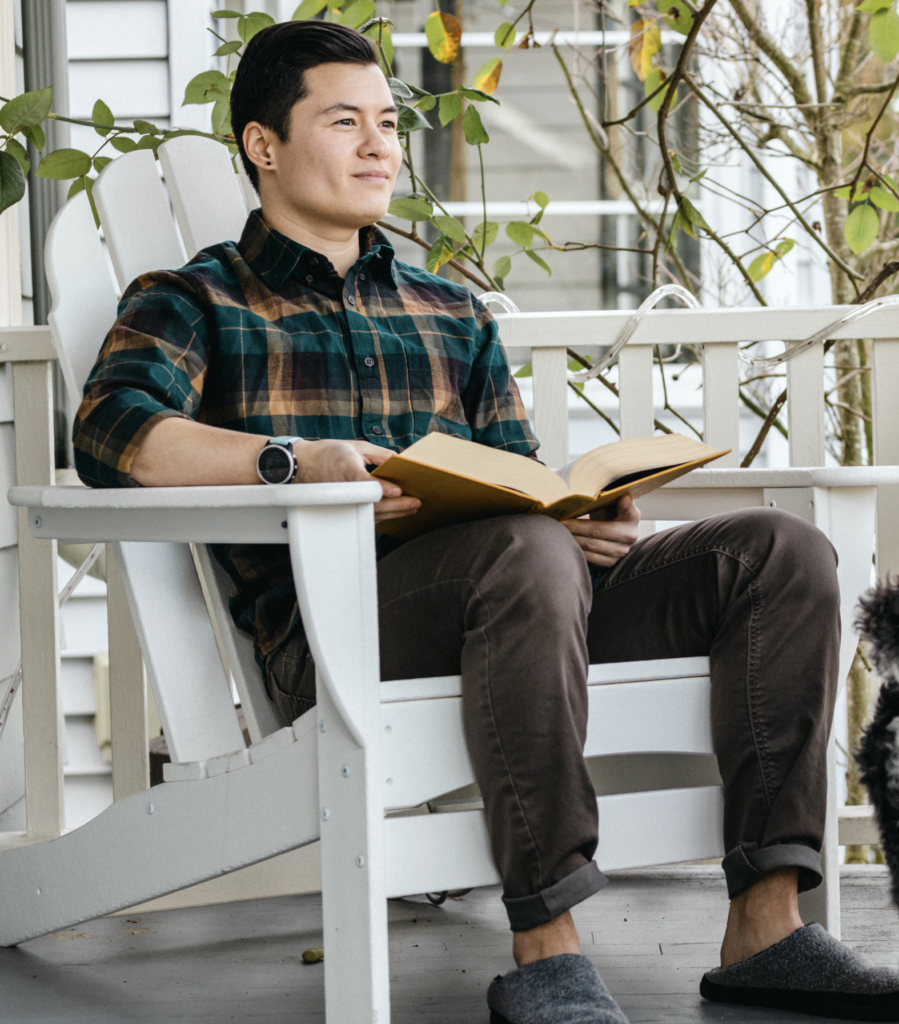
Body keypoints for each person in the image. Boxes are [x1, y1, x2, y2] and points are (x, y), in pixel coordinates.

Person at [72, 20, 899, 1024]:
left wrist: (581, 515)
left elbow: (514, 477)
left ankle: (766, 928)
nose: (380, 145)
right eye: (345, 122)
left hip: (522, 594)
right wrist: (295, 461)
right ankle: (545, 951)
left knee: (781, 552)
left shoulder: (448, 310)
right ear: (262, 145)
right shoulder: (194, 300)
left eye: (387, 122)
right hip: (338, 633)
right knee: (522, 550)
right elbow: (111, 430)